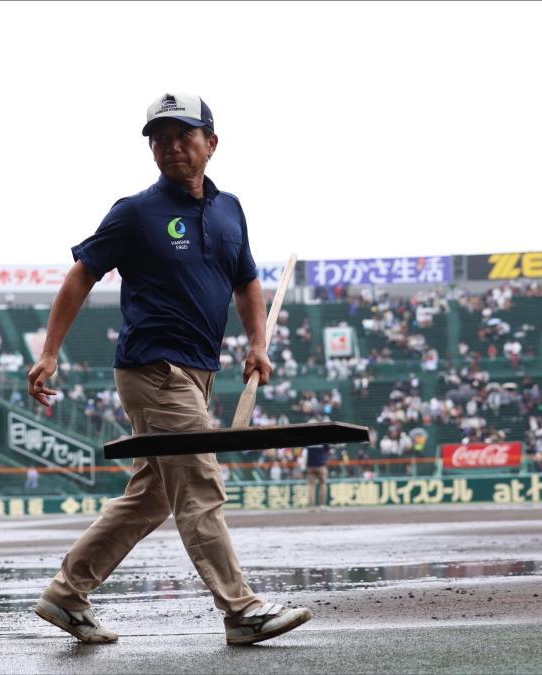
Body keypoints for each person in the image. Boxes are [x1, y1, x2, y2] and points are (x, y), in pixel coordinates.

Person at [27, 92, 311, 646]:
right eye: (160, 138)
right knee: (200, 483)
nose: (172, 146)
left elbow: (247, 281)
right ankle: (242, 610)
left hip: (200, 372)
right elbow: (82, 274)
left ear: (212, 143)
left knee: (153, 495)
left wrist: (258, 343)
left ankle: (66, 593)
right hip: (155, 369)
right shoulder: (135, 212)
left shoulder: (230, 210)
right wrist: (50, 352)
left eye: (184, 135)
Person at [305, 441, 331, 510]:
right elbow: (328, 451)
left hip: (310, 466)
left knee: (311, 486)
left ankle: (311, 506)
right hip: (321, 466)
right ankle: (322, 505)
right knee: (323, 484)